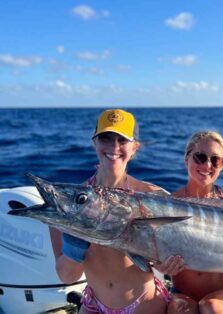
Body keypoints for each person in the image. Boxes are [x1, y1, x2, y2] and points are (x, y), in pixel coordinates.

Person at [49, 109, 183, 314]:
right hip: (94, 304)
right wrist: (75, 243)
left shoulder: (154, 197)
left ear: (135, 147)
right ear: (94, 142)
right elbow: (67, 277)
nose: (114, 147)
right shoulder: (69, 204)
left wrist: (165, 265)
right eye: (105, 138)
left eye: (122, 140)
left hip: (144, 302)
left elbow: (176, 250)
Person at [166, 131, 223, 314]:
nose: (207, 165)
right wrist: (159, 265)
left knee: (212, 307)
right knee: (177, 308)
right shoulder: (169, 204)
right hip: (182, 293)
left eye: (215, 160)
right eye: (200, 157)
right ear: (187, 158)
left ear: (222, 165)